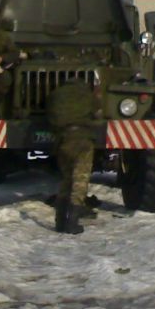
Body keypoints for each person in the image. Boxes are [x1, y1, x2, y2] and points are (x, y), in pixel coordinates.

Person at [47, 80, 103, 234]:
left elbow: (51, 118)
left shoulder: (55, 95)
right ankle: (72, 222)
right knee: (80, 180)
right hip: (82, 140)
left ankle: (60, 222)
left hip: (63, 140)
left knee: (66, 180)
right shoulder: (87, 95)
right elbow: (98, 114)